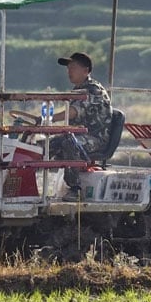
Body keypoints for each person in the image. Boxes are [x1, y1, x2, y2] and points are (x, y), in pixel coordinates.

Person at [45, 52, 112, 199]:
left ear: (86, 70)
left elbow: (74, 112)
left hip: (96, 138)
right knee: (47, 145)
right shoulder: (77, 90)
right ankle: (33, 187)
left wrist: (49, 118)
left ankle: (75, 189)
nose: (69, 71)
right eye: (68, 68)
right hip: (79, 135)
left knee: (70, 143)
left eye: (73, 67)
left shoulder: (93, 89)